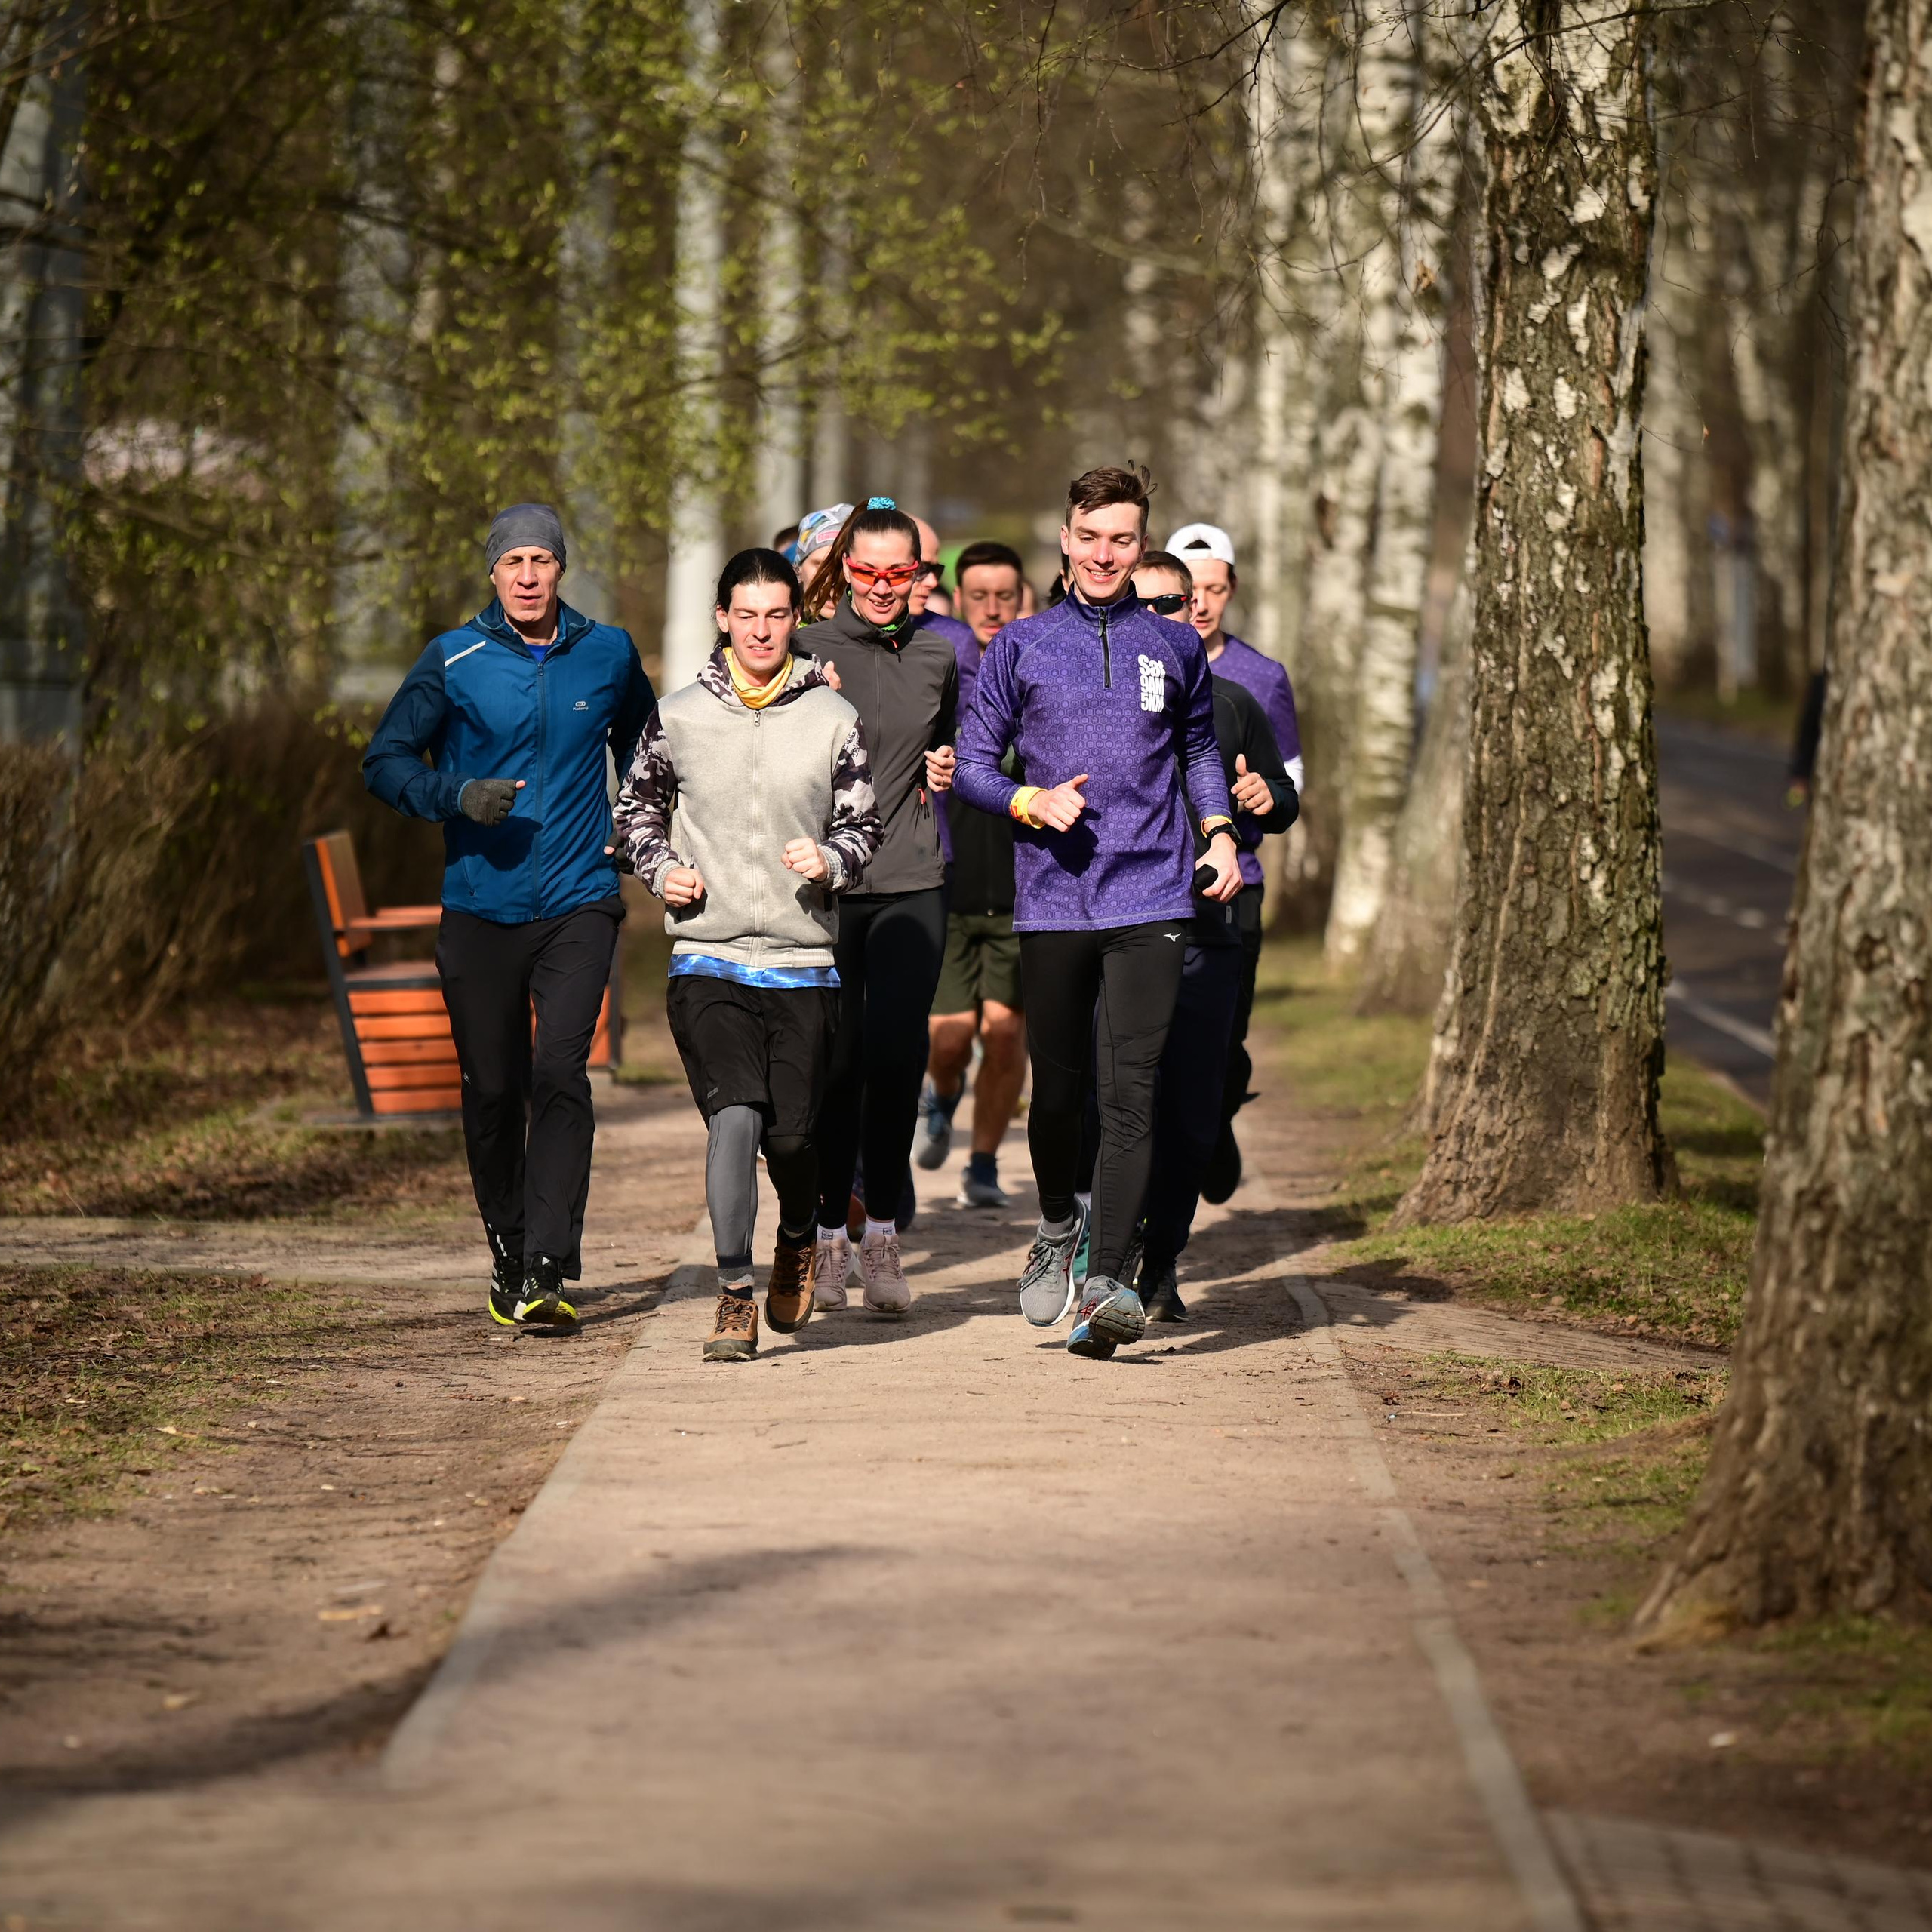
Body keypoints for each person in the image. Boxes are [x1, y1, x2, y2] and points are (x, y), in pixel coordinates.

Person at [955, 465, 1241, 1361]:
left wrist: (1221, 830)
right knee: (1063, 1093)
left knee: (1134, 1093)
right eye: (1091, 536)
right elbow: (971, 764)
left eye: (1124, 537)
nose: (1106, 553)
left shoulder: (1175, 647)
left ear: (1139, 540)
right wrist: (1029, 803)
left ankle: (1109, 1283)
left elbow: (1197, 746)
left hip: (1152, 893)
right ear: (1067, 539)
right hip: (1052, 900)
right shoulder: (1022, 647)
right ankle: (1052, 1223)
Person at [363, 503, 655, 1329]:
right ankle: (508, 1243)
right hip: (480, 907)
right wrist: (453, 795)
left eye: (543, 560)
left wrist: (636, 824)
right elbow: (383, 760)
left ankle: (546, 1265)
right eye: (513, 561)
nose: (528, 576)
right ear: (491, 571)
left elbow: (648, 744)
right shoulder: (452, 658)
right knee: (494, 1089)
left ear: (563, 568)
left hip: (579, 901)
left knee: (561, 1071)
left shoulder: (607, 652)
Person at [614, 549, 881, 1361]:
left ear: (792, 619)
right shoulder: (680, 714)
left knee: (793, 1143)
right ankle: (733, 1291)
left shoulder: (833, 718)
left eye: (776, 614)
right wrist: (664, 872)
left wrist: (831, 860)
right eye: (746, 614)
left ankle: (797, 1234)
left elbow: (864, 827)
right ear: (723, 619)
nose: (761, 629)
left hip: (804, 963)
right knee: (734, 1116)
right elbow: (634, 815)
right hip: (709, 956)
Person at [798, 498, 960, 1313]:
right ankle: (828, 1236)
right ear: (844, 572)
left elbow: (960, 745)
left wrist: (949, 765)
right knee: (836, 1065)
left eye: (902, 572)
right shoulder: (802, 652)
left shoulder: (939, 656)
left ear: (919, 575)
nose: (885, 585)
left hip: (910, 883)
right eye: (868, 571)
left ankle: (884, 1236)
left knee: (896, 1064)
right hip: (825, 892)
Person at [1127, 552, 1297, 1320]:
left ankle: (1160, 1263)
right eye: (1151, 606)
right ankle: (1111, 1247)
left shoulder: (1231, 703)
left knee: (1192, 1114)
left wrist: (1266, 795)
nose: (1173, 617)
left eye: (1181, 603)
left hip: (1210, 930)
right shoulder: (1087, 702)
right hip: (1118, 928)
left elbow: (1283, 795)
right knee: (1122, 1104)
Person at [1166, 521, 1304, 1203]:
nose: (1201, 604)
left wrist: (1263, 794)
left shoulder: (1261, 678)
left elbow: (1290, 786)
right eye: (1189, 591)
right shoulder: (1140, 661)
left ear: (1231, 590)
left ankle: (1213, 1116)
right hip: (1155, 880)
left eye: (1215, 590)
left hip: (1235, 881)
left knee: (1224, 1035)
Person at [918, 539, 1028, 1208]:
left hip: (1025, 889)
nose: (992, 609)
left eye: (1005, 597)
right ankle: (942, 1090)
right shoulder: (941, 670)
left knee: (1006, 1030)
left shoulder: (1043, 672)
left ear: (1025, 601)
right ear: (958, 601)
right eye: (979, 596)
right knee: (953, 1036)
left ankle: (982, 1163)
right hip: (949, 882)